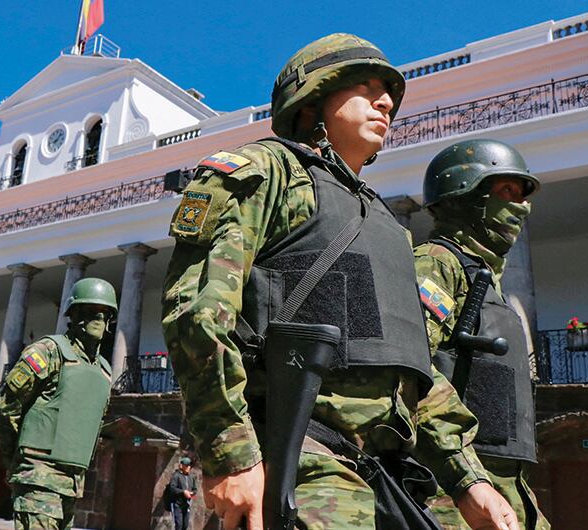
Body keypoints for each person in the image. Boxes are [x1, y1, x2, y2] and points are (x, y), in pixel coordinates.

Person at [162, 33, 518, 530]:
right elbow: (199, 312)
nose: (386, 101)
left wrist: (468, 479)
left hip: (389, 474)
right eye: (365, 88)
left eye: (389, 93)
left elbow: (415, 366)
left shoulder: (388, 225)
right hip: (303, 459)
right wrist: (231, 452)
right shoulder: (264, 172)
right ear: (311, 100)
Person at [415, 139, 550, 530]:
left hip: (506, 485)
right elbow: (414, 371)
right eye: (506, 191)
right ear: (464, 196)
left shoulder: (486, 279)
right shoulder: (437, 264)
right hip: (453, 492)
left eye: (523, 195)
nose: (521, 206)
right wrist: (466, 479)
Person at [0, 278, 118, 530]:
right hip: (38, 478)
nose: (98, 318)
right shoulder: (48, 351)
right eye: (91, 310)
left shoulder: (104, 370)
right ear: (74, 314)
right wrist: (14, 459)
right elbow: (7, 406)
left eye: (105, 313)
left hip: (71, 484)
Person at [169, 456, 199, 530]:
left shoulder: (191, 477)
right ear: (181, 466)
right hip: (177, 504)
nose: (188, 467)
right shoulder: (176, 476)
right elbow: (172, 488)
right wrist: (183, 492)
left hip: (187, 505)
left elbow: (195, 489)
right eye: (186, 465)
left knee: (185, 526)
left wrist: (192, 493)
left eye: (189, 465)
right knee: (179, 525)